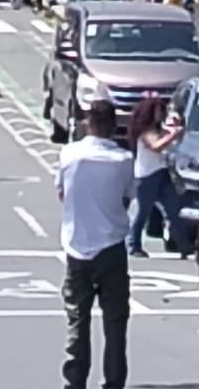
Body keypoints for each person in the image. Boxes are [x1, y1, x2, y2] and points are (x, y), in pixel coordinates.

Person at [56, 98, 134, 389]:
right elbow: (127, 198)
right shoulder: (123, 160)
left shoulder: (70, 155)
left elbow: (62, 193)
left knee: (77, 316)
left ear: (88, 122)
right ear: (113, 127)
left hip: (77, 245)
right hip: (111, 246)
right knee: (115, 321)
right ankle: (113, 381)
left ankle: (75, 380)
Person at [126, 96, 189, 258]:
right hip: (146, 176)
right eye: (159, 110)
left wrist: (176, 129)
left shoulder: (159, 129)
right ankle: (133, 245)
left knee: (174, 210)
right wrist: (174, 134)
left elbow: (172, 141)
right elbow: (156, 146)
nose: (162, 114)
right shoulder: (145, 132)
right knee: (142, 212)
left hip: (161, 173)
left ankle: (185, 246)